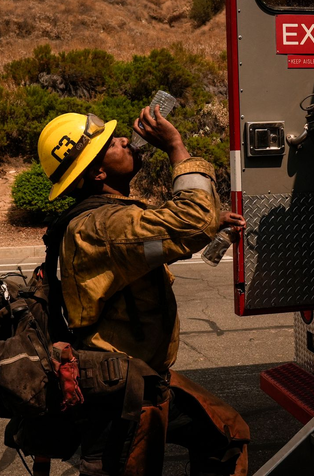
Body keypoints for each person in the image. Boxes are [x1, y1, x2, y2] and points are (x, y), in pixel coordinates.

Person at [37, 107, 249, 476]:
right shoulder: (103, 224)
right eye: (110, 143)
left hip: (146, 377)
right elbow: (190, 220)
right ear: (98, 172)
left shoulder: (107, 217)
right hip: (122, 391)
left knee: (226, 437)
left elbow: (148, 251)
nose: (123, 139)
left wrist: (208, 230)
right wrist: (176, 147)